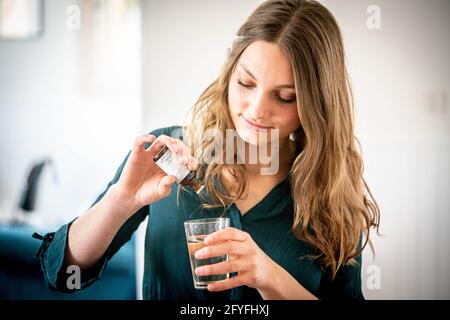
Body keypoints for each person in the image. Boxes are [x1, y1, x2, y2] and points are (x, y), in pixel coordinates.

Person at [34, 0, 380, 300]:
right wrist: (121, 200)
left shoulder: (331, 194)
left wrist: (271, 278)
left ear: (316, 105)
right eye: (245, 83)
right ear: (229, 74)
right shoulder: (167, 157)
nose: (257, 109)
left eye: (284, 96)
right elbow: (63, 275)